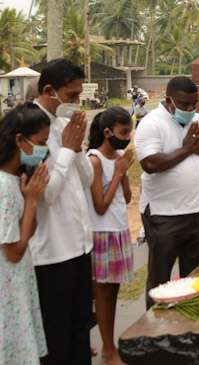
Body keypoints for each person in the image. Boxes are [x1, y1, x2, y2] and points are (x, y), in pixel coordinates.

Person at [135, 76, 199, 309]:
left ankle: (191, 328)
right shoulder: (151, 123)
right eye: (183, 104)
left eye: (193, 104)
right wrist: (187, 149)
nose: (189, 110)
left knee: (196, 278)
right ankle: (155, 332)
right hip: (163, 215)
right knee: (160, 279)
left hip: (198, 212)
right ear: (169, 100)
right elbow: (150, 163)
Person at [32, 58, 94, 365]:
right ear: (49, 90)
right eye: (71, 96)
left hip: (79, 245)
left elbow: (88, 180)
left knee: (81, 327)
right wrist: (67, 150)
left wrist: (76, 148)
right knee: (57, 336)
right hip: (52, 251)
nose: (76, 103)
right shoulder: (28, 127)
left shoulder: (62, 124)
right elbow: (46, 195)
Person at [0, 104, 50, 365]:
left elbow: (29, 230)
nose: (44, 150)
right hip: (8, 288)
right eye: (41, 143)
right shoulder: (3, 187)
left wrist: (30, 198)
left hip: (17, 285)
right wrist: (31, 201)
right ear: (19, 140)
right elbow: (14, 252)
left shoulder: (14, 181)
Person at [86, 107, 134, 365]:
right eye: (123, 132)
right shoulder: (93, 159)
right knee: (103, 293)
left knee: (113, 292)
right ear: (107, 132)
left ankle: (109, 344)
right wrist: (117, 172)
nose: (127, 137)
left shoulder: (118, 157)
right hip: (102, 232)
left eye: (129, 132)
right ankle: (107, 348)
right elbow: (100, 205)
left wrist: (123, 171)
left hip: (119, 229)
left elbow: (126, 198)